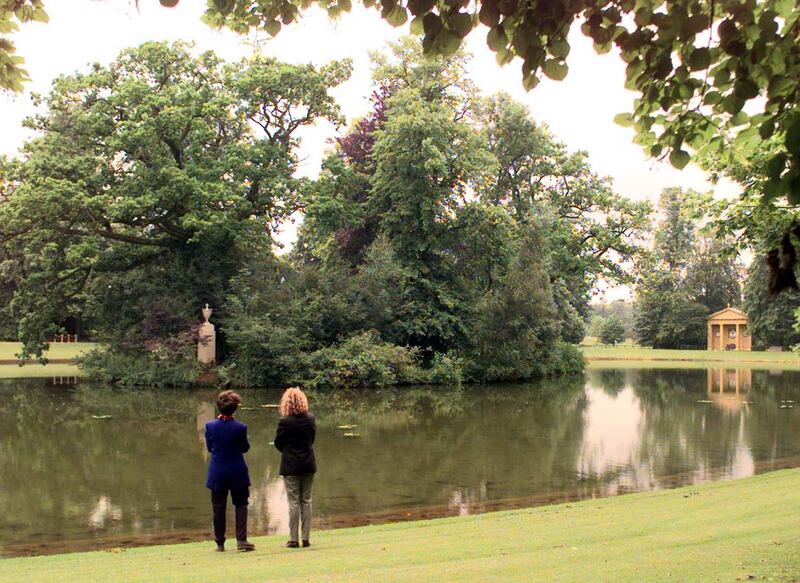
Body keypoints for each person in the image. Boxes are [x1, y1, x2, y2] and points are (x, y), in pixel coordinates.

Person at [205, 390, 255, 552]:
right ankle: (241, 540)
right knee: (241, 505)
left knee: (218, 508)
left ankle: (220, 543)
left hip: (218, 472)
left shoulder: (210, 426)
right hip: (237, 471)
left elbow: (210, 448)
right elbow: (245, 448)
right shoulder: (241, 427)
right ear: (235, 408)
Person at [274, 387, 316, 548]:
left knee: (293, 503)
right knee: (306, 501)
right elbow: (311, 439)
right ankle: (306, 538)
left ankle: (293, 539)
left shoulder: (284, 421)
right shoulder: (310, 418)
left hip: (290, 465)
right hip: (308, 463)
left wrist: (288, 452)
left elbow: (278, 443)